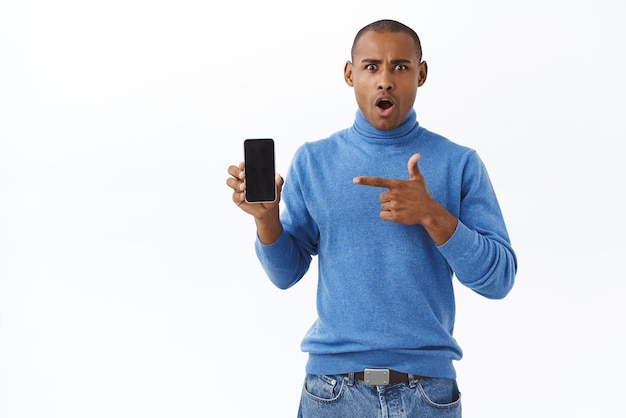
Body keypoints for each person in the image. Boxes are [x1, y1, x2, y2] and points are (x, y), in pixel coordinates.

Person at [226, 19, 517, 418]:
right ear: (350, 74)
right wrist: (266, 219)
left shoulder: (459, 163)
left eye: (400, 67)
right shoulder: (315, 161)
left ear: (421, 74)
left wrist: (433, 215)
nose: (385, 80)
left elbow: (499, 280)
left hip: (428, 395)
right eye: (371, 67)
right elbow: (285, 274)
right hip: (332, 393)